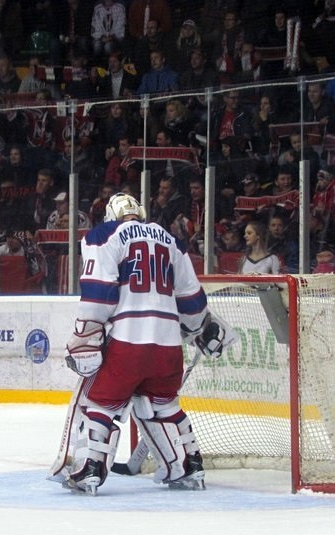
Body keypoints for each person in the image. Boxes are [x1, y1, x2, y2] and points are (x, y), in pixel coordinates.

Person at [55, 192, 235, 495]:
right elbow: (191, 298)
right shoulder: (170, 239)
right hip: (168, 345)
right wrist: (197, 328)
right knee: (163, 405)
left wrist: (86, 335)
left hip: (128, 339)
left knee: (100, 402)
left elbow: (99, 291)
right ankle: (188, 466)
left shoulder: (105, 235)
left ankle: (89, 470)